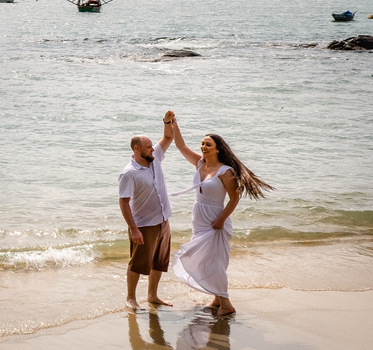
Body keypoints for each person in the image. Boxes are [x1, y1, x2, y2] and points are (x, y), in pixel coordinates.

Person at [166, 114, 273, 316]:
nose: (203, 147)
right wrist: (173, 124)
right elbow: (180, 146)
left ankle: (226, 304)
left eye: (208, 144)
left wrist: (221, 220)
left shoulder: (226, 172)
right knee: (206, 259)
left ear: (217, 148)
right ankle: (216, 298)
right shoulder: (200, 164)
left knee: (214, 261)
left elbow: (234, 199)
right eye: (202, 144)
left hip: (216, 219)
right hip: (199, 218)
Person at [117, 112, 177, 310]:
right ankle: (131, 298)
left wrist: (168, 122)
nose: (153, 149)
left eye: (152, 146)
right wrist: (133, 229)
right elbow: (124, 202)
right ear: (137, 149)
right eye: (149, 146)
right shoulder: (129, 173)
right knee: (137, 263)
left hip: (163, 221)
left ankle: (152, 296)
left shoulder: (155, 158)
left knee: (159, 262)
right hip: (144, 224)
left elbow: (169, 137)